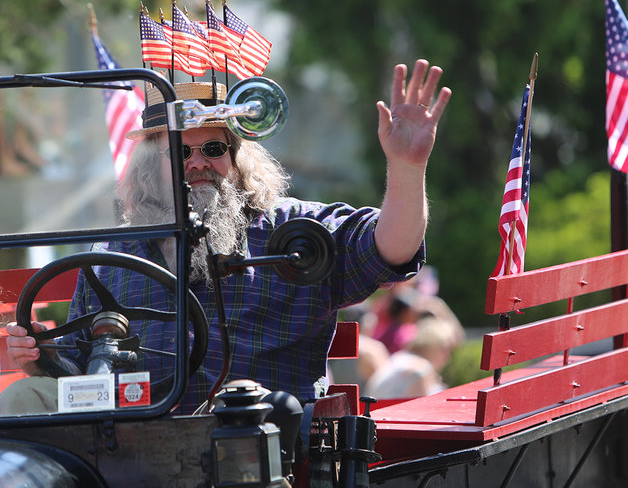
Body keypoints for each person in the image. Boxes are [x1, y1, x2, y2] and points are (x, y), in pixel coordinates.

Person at [2, 59, 451, 415]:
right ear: (149, 168)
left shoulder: (294, 235)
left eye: (213, 148)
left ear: (237, 159)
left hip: (263, 443)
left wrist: (407, 168)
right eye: (180, 151)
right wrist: (40, 356)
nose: (197, 162)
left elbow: (389, 248)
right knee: (20, 400)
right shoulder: (110, 259)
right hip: (136, 449)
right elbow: (83, 376)